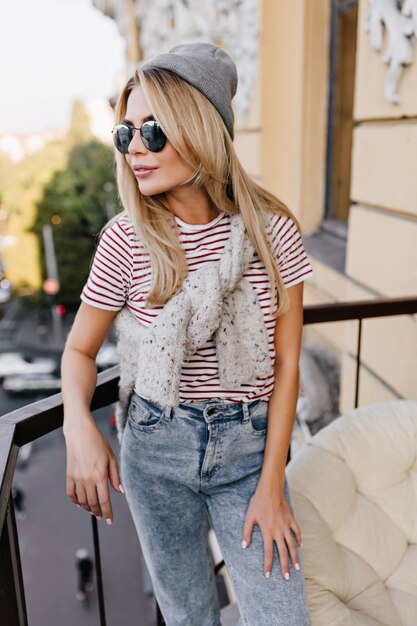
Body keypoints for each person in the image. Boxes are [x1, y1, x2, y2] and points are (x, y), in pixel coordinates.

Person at [62, 42, 314, 626]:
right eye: (125, 135)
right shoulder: (125, 241)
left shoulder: (273, 234)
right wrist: (78, 422)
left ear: (200, 128)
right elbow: (79, 350)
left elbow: (287, 367)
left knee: (283, 617)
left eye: (153, 131)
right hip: (156, 449)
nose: (135, 151)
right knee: (189, 617)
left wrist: (272, 482)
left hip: (249, 453)